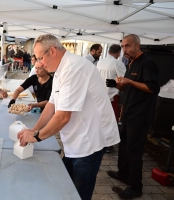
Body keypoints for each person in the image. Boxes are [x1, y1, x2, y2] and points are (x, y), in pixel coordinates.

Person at [17, 34, 120, 200]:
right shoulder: (59, 69)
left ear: (52, 51)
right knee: (66, 188)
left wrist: (36, 137)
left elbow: (63, 117)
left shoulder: (73, 68)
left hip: (89, 143)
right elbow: (52, 105)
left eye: (40, 58)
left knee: (78, 194)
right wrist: (34, 129)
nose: (39, 63)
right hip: (75, 141)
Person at [106, 34, 160, 199]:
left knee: (134, 151)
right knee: (124, 146)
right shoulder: (130, 63)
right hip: (128, 113)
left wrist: (129, 82)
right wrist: (118, 85)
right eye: (122, 47)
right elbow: (129, 88)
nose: (124, 50)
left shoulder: (147, 63)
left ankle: (136, 187)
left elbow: (152, 88)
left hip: (140, 116)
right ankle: (123, 173)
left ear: (137, 45)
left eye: (127, 46)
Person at [96, 44, 126, 153]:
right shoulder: (118, 63)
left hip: (99, 95)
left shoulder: (101, 62)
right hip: (111, 96)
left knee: (100, 119)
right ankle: (108, 144)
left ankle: (100, 140)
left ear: (108, 51)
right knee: (111, 120)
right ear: (118, 53)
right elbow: (123, 80)